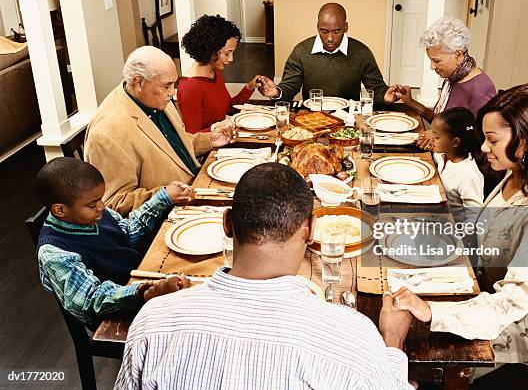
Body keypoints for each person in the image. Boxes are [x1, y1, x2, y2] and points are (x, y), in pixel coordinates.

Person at [115, 163, 415, 389]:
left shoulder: (152, 320)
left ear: (228, 224)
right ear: (310, 230)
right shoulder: (352, 336)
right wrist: (392, 342)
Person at [390, 84, 528, 370]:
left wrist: (432, 311)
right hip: (486, 283)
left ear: (526, 142)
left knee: (418, 346)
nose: (483, 148)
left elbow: (513, 301)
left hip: (525, 321)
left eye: (492, 140)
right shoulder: (518, 171)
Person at [35, 157, 192, 326]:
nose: (102, 206)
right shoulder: (54, 252)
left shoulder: (94, 212)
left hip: (143, 279)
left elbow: (127, 234)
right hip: (122, 315)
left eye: (100, 199)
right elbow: (90, 302)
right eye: (92, 204)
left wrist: (162, 199)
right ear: (60, 210)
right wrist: (145, 293)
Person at [85, 46, 235, 216]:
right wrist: (164, 195)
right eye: (167, 86)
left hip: (198, 184)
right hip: (168, 216)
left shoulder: (153, 97)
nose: (173, 93)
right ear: (138, 82)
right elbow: (115, 204)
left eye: (173, 84)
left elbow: (169, 146)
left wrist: (210, 140)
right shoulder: (106, 134)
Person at [387, 16, 496, 150]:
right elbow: (439, 121)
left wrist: (437, 136)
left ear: (457, 54)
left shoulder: (479, 90)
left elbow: (478, 143)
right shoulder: (453, 78)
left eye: (437, 61)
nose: (432, 67)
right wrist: (410, 102)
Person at [262, 2, 400, 107]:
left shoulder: (361, 52)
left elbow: (376, 89)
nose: (329, 38)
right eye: (324, 31)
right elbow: (289, 87)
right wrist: (277, 92)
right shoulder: (301, 51)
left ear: (346, 27)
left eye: (336, 31)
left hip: (349, 118)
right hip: (312, 116)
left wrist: (386, 96)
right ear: (317, 26)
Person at [177, 15, 277, 133]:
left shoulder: (215, 73)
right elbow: (192, 137)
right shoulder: (190, 87)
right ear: (210, 51)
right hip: (211, 148)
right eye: (227, 53)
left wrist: (249, 87)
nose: (231, 59)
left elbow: (228, 108)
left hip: (223, 139)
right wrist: (221, 127)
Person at [431, 107, 484, 224]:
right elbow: (437, 158)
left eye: (436, 137)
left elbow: (474, 218)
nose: (432, 139)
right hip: (436, 215)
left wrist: (459, 238)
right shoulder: (444, 155)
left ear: (455, 142)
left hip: (451, 230)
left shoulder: (468, 176)